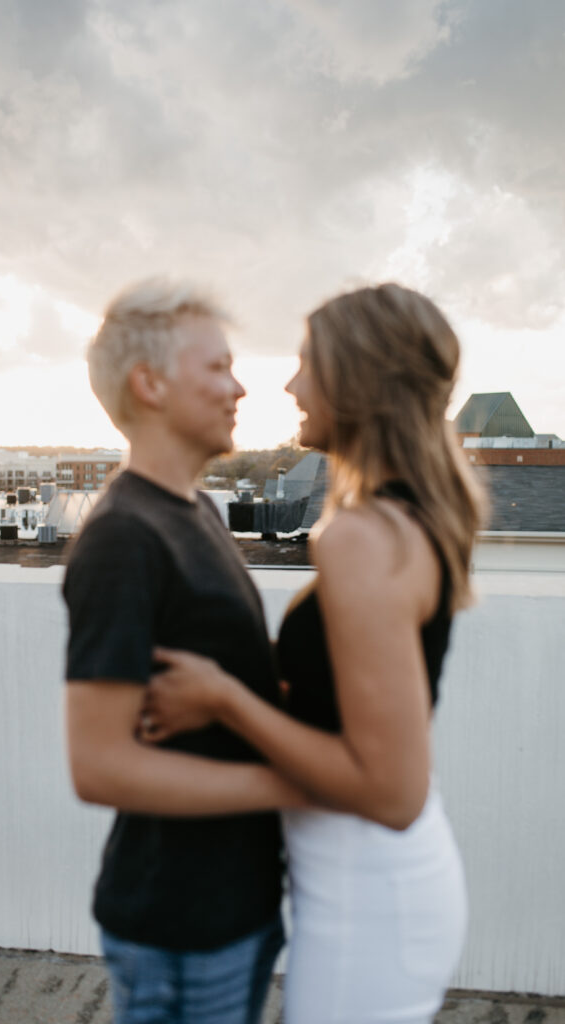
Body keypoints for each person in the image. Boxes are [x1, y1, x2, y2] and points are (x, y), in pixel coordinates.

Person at [139, 283, 486, 1024]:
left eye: (307, 364)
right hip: (364, 880)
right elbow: (341, 697)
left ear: (360, 376)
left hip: (367, 889)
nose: (291, 383)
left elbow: (391, 793)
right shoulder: (402, 520)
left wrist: (222, 697)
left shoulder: (363, 537)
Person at [62, 278, 308, 1024]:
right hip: (180, 922)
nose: (238, 387)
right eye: (218, 367)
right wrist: (298, 786)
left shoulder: (194, 509)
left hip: (239, 902)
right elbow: (100, 766)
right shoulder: (122, 539)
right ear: (151, 383)